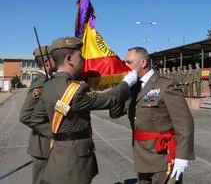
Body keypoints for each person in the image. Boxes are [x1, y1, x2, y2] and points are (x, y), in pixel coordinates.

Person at [29, 36, 137, 184]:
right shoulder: (76, 90)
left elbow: (35, 119)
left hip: (57, 154)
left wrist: (59, 135)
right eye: (80, 55)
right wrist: (127, 82)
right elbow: (110, 100)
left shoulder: (47, 86)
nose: (84, 58)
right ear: (69, 59)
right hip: (75, 162)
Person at [111, 47, 195, 184]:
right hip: (141, 156)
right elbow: (114, 113)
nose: (125, 66)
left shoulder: (165, 85)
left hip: (162, 157)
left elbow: (184, 123)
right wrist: (123, 86)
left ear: (142, 63)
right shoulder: (132, 88)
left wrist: (182, 157)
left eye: (129, 62)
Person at [20, 45, 57, 184]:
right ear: (47, 62)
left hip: (50, 145)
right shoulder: (40, 84)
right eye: (54, 58)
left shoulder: (50, 81)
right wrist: (52, 131)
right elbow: (25, 116)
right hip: (42, 145)